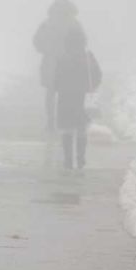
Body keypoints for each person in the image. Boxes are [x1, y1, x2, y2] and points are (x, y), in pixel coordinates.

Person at [54, 28, 101, 172]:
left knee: (67, 130)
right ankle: (80, 159)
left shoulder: (63, 57)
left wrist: (59, 88)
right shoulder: (87, 57)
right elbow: (98, 75)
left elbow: (56, 79)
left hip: (65, 98)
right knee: (81, 129)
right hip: (81, 97)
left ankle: (68, 160)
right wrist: (90, 87)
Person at [33, 0, 83, 132]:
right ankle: (64, 121)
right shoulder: (74, 24)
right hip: (67, 63)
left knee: (51, 94)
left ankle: (50, 122)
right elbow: (82, 43)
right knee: (65, 94)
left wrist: (48, 50)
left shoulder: (48, 23)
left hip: (51, 62)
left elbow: (37, 41)